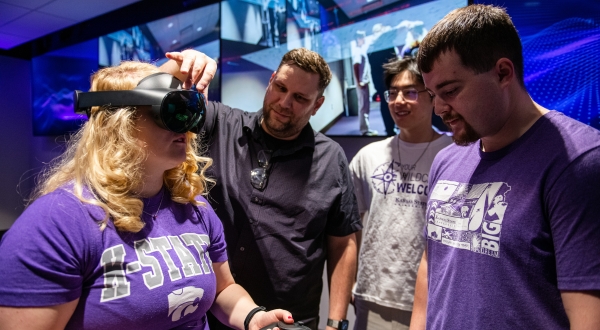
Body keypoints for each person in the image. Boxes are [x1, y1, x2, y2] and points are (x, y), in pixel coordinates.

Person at [0, 61, 294, 330]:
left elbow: (222, 289)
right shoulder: (58, 222)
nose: (188, 125)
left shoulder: (196, 210)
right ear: (121, 124)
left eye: (191, 112)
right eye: (171, 111)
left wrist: (254, 317)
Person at [410, 4, 600, 329]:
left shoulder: (579, 161)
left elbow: (588, 316)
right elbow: (432, 265)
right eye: (431, 94)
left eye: (451, 91)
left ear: (502, 73)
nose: (439, 108)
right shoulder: (446, 159)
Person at [161, 48, 362, 330]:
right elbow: (153, 110)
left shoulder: (330, 158)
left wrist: (336, 323)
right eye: (280, 87)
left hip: (288, 320)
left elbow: (343, 243)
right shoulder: (220, 123)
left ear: (317, 105)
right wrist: (177, 69)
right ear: (271, 81)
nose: (284, 102)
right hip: (208, 313)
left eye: (300, 98)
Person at [349, 56, 452, 330]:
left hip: (433, 299)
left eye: (410, 92)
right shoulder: (367, 156)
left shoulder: (453, 155)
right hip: (373, 296)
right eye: (392, 93)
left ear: (432, 97)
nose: (398, 101)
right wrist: (351, 281)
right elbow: (350, 229)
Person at [352, 30, 377, 136]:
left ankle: (366, 128)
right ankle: (364, 130)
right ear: (358, 38)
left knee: (365, 105)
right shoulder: (358, 51)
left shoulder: (361, 50)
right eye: (362, 37)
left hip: (364, 81)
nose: (364, 39)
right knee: (363, 106)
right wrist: (359, 82)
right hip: (361, 83)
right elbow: (356, 66)